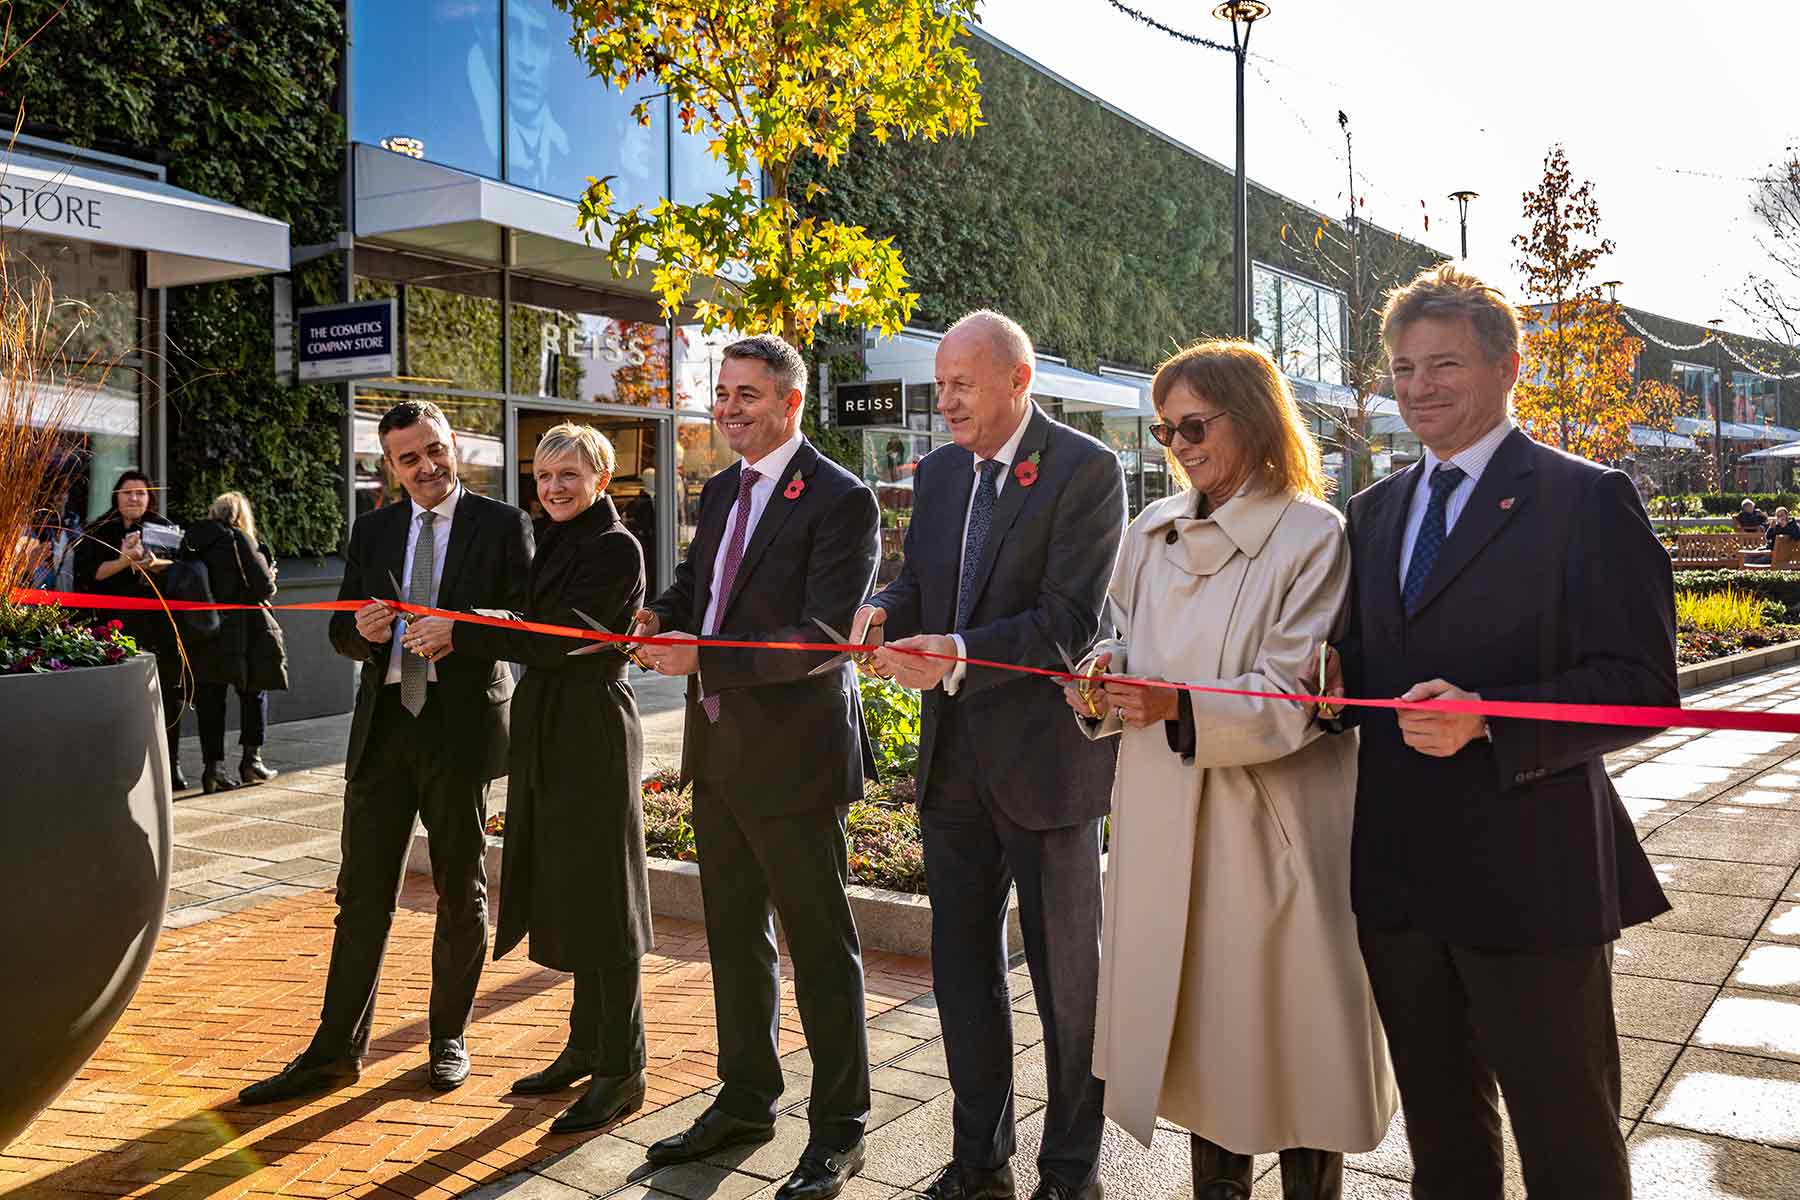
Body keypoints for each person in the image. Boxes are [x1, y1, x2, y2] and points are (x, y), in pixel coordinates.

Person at [1322, 264, 1677, 1199]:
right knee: (1443, 1147)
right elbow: (1363, 664)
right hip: (1399, 881)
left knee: (1569, 1146)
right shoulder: (1371, 511)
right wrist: (1323, 686)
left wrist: (1492, 720)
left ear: (1510, 366)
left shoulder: (1585, 498)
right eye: (1401, 369)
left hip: (1533, 879)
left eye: (1443, 365)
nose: (1417, 388)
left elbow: (1643, 688)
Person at [1063, 339, 1396, 1199]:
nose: (1178, 444)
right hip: (1168, 825)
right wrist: (1101, 682)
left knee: (1292, 1046)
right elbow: (1128, 641)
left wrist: (1178, 706)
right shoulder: (1151, 529)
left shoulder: (1313, 535)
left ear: (1250, 418)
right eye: (1166, 429)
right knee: (1206, 1050)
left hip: (1271, 834)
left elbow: (1303, 693)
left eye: (1195, 424)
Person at [859, 310, 1125, 1200]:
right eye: (940, 385)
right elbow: (919, 581)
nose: (944, 402)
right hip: (952, 771)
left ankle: (1071, 1173)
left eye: (960, 385)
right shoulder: (936, 473)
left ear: (1019, 379)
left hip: (1048, 774)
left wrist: (958, 653)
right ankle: (980, 1163)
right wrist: (885, 614)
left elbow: (1068, 622)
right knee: (964, 974)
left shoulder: (1086, 470)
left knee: (1067, 986)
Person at [633, 334, 880, 1200]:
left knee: (819, 950)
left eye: (745, 395)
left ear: (790, 403)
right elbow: (697, 582)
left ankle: (842, 1129)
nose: (728, 409)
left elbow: (821, 638)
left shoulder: (842, 501)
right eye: (722, 393)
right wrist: (658, 617)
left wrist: (699, 655)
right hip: (720, 754)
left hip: (798, 758)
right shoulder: (723, 486)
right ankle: (745, 1100)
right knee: (735, 943)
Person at [238, 399, 533, 1104]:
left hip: (459, 732)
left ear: (453, 443)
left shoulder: (503, 524)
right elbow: (342, 630)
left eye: (436, 450)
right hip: (384, 733)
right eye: (411, 458)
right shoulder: (373, 530)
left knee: (461, 891)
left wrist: (465, 629)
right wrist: (363, 632)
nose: (428, 466)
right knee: (361, 896)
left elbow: (528, 624)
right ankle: (334, 1051)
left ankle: (447, 1038)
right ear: (391, 466)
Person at [410, 422, 653, 1135]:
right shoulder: (549, 537)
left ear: (601, 480)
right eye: (544, 476)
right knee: (571, 890)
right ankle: (585, 1046)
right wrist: (470, 616)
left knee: (607, 899)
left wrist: (465, 630)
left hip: (594, 731)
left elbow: (560, 637)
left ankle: (623, 1068)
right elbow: (527, 618)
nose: (553, 488)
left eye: (570, 475)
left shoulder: (615, 546)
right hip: (547, 725)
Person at [73, 471, 186, 789]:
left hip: (159, 629)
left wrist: (153, 564)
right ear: (116, 496)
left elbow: (181, 569)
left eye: (141, 493)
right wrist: (125, 561)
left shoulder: (163, 530)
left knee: (165, 695)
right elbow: (90, 575)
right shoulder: (99, 531)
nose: (134, 498)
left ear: (149, 499)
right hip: (113, 628)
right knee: (117, 698)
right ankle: (113, 762)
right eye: (127, 493)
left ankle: (170, 764)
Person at [180, 492, 288, 794]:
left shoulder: (191, 541)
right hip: (243, 630)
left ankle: (213, 770)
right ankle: (251, 761)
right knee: (253, 692)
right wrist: (271, 575)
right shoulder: (238, 539)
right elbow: (263, 586)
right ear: (240, 515)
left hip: (203, 630)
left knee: (210, 701)